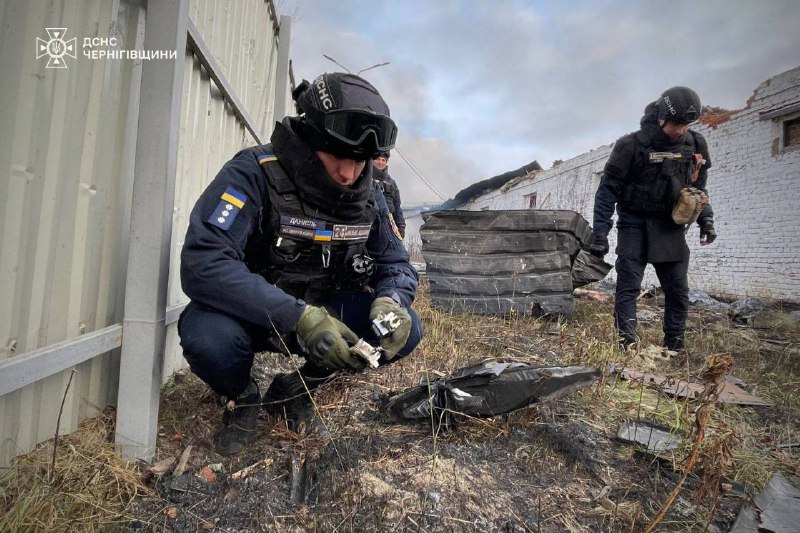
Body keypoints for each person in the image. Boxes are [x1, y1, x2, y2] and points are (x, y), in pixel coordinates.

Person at [177, 72, 423, 455]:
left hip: (329, 317)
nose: (348, 173)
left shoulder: (369, 195)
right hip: (253, 313)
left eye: (359, 161)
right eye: (337, 156)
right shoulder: (253, 173)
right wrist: (299, 317)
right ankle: (243, 396)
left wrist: (391, 299)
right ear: (310, 139)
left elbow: (398, 264)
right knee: (206, 338)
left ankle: (295, 390)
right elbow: (203, 261)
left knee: (404, 329)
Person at [589, 86, 717, 351]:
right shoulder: (630, 145)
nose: (681, 130)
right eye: (676, 124)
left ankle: (674, 347)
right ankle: (627, 346)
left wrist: (706, 219)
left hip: (670, 226)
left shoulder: (695, 144)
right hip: (633, 223)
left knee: (678, 290)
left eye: (686, 125)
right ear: (661, 118)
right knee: (628, 287)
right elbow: (607, 192)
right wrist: (600, 234)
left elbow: (697, 188)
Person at [372, 151, 406, 238]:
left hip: (389, 225)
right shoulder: (366, 179)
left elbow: (397, 206)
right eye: (378, 159)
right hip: (370, 223)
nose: (380, 162)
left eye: (383, 160)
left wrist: (401, 225)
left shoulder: (391, 183)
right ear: (372, 160)